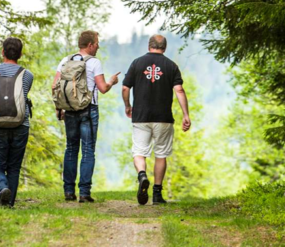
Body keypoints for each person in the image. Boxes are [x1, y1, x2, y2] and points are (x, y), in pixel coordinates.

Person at [122, 34, 191, 205]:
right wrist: (185, 114)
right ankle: (157, 194)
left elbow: (125, 87)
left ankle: (142, 175)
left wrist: (127, 105)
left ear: (149, 45)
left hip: (141, 117)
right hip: (163, 118)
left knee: (139, 152)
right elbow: (179, 90)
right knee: (161, 154)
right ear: (164, 47)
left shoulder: (137, 63)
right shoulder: (171, 65)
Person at [52, 30, 120, 203]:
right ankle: (84, 192)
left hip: (69, 110)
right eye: (97, 43)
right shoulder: (94, 63)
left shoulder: (65, 61)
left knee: (71, 148)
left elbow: (55, 86)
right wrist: (112, 81)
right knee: (88, 150)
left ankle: (68, 191)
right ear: (90, 45)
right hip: (89, 110)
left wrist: (59, 107)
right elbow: (102, 88)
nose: (98, 46)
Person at [0, 37, 34, 207]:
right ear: (20, 54)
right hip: (21, 124)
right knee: (14, 167)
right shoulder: (27, 75)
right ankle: (9, 203)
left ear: (3, 52)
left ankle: (2, 188)